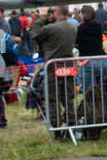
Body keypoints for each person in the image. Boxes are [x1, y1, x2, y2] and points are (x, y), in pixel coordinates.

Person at [29, 7, 79, 138]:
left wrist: (41, 19)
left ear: (56, 13)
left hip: (53, 66)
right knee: (68, 98)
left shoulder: (51, 28)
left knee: (53, 98)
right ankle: (71, 126)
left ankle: (57, 128)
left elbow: (34, 35)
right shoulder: (73, 27)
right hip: (68, 65)